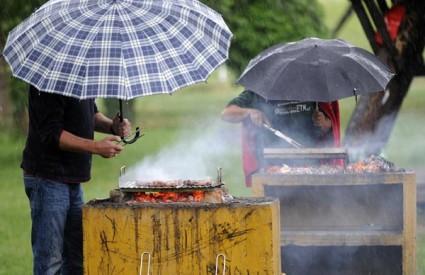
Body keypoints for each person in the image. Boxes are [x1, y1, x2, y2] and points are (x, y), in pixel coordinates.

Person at [22, 85, 132, 275]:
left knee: (77, 260)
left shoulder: (77, 74)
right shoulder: (49, 82)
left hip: (73, 179)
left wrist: (112, 126)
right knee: (50, 262)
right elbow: (51, 134)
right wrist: (96, 147)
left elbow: (90, 113)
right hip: (47, 177)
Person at [221, 90, 341, 186]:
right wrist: (249, 112)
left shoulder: (312, 88)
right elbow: (226, 113)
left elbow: (330, 130)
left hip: (311, 168)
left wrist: (325, 123)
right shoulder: (260, 90)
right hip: (273, 170)